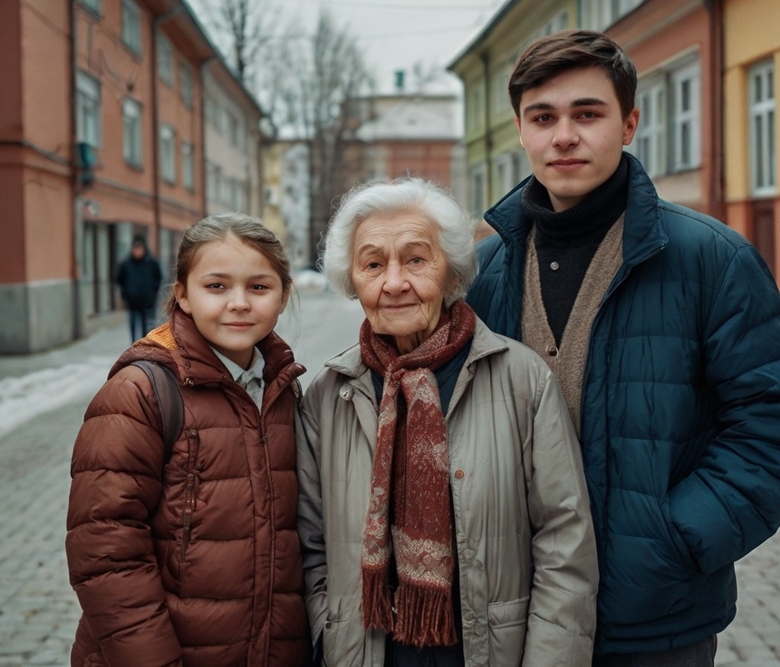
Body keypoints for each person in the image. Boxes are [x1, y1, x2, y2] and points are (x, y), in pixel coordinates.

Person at [465, 30, 780, 666]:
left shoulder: (710, 259)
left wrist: (675, 538)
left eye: (588, 113)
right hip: (513, 613)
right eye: (543, 117)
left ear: (629, 123)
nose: (564, 135)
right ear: (521, 131)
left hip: (651, 620)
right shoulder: (483, 270)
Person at [296, 178, 598, 666]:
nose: (394, 282)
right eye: (373, 264)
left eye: (416, 259)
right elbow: (309, 550)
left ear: (452, 273)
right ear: (353, 281)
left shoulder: (521, 381)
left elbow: (565, 545)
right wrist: (329, 636)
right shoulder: (328, 396)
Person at [66, 214, 310, 667]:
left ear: (283, 294)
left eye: (259, 287)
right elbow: (105, 553)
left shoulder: (283, 389)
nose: (239, 303)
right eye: (216, 286)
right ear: (182, 293)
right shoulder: (139, 393)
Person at [116, 234, 164, 342]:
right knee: (133, 324)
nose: (138, 251)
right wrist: (125, 294)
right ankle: (133, 344)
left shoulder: (151, 263)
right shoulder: (126, 264)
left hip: (148, 301)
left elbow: (158, 278)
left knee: (147, 326)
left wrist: (153, 292)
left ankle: (145, 344)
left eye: (139, 249)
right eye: (136, 249)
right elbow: (120, 280)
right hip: (132, 301)